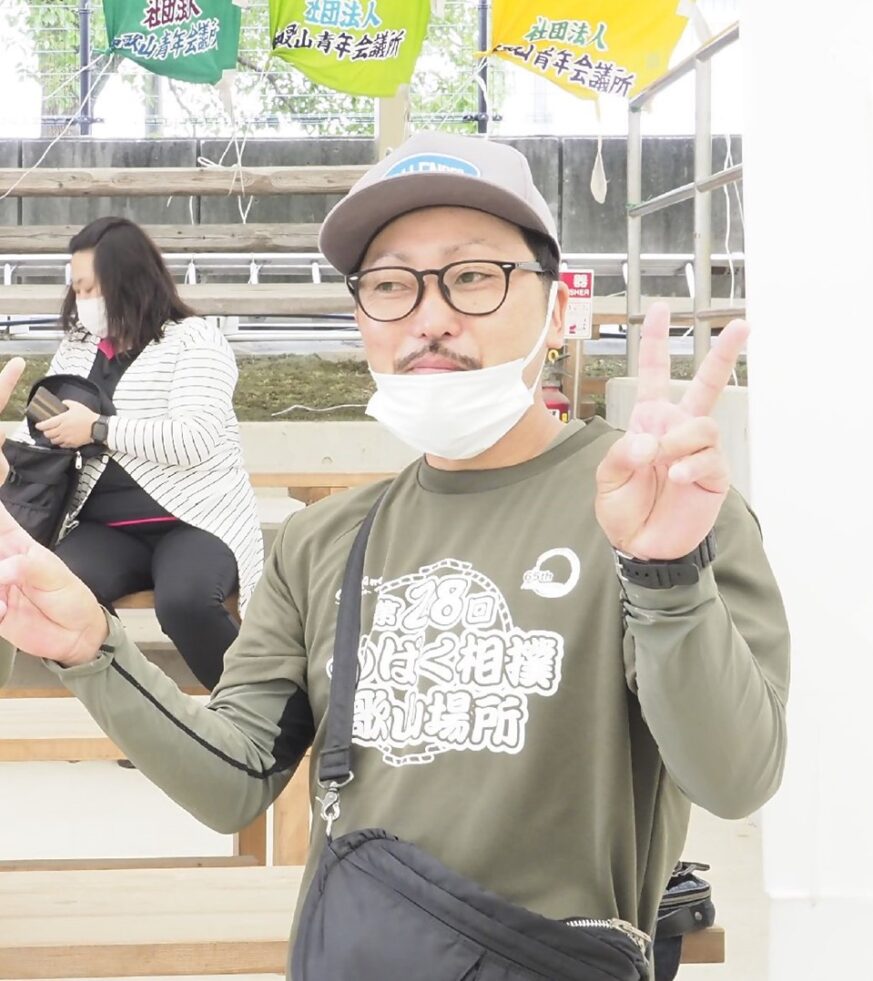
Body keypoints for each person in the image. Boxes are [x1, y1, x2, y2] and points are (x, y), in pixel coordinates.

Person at [0, 135, 789, 977]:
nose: (429, 316)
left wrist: (667, 579)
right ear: (361, 320)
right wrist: (93, 649)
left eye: (473, 276)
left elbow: (735, 777)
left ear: (558, 310)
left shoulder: (661, 513)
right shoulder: (324, 540)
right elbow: (233, 778)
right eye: (388, 285)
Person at [0, 217, 263, 690]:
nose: (83, 300)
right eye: (77, 289)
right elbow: (40, 427)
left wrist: (97, 429)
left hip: (193, 520)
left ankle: (261, 715)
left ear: (129, 280)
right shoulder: (78, 348)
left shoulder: (195, 340)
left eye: (92, 288)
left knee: (186, 602)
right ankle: (141, 711)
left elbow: (196, 438)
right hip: (103, 528)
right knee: (56, 593)